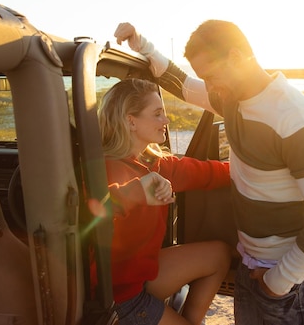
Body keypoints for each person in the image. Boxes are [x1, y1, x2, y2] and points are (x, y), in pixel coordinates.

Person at [114, 21, 304, 325]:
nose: (211, 87)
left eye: (213, 76)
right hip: (254, 265)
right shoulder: (234, 100)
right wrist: (143, 46)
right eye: (207, 79)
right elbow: (185, 85)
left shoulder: (295, 117)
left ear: (238, 57)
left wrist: (277, 282)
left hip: (291, 281)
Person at [96, 77, 231, 325]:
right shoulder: (101, 168)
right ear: (131, 121)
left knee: (219, 254)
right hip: (120, 294)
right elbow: (89, 212)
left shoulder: (156, 164)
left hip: (141, 273)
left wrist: (262, 173)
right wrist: (135, 192)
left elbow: (209, 173)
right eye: (157, 114)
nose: (166, 120)